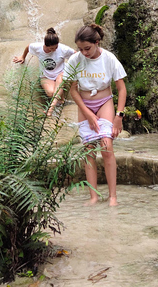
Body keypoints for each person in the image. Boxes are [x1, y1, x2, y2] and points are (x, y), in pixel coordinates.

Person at [65, 24, 127, 206]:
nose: (84, 53)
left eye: (87, 48)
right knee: (88, 150)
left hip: (104, 102)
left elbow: (121, 89)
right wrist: (87, 114)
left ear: (97, 43)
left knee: (106, 146)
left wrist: (119, 116)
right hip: (85, 105)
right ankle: (93, 196)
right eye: (80, 49)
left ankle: (113, 196)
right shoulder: (75, 60)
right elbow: (73, 90)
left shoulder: (109, 58)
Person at [13, 28, 75, 115]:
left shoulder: (62, 49)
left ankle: (50, 109)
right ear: (46, 45)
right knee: (50, 93)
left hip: (60, 73)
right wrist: (22, 57)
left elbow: (75, 54)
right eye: (52, 48)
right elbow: (28, 47)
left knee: (60, 80)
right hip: (46, 75)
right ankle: (61, 100)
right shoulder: (38, 47)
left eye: (56, 47)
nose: (55, 49)